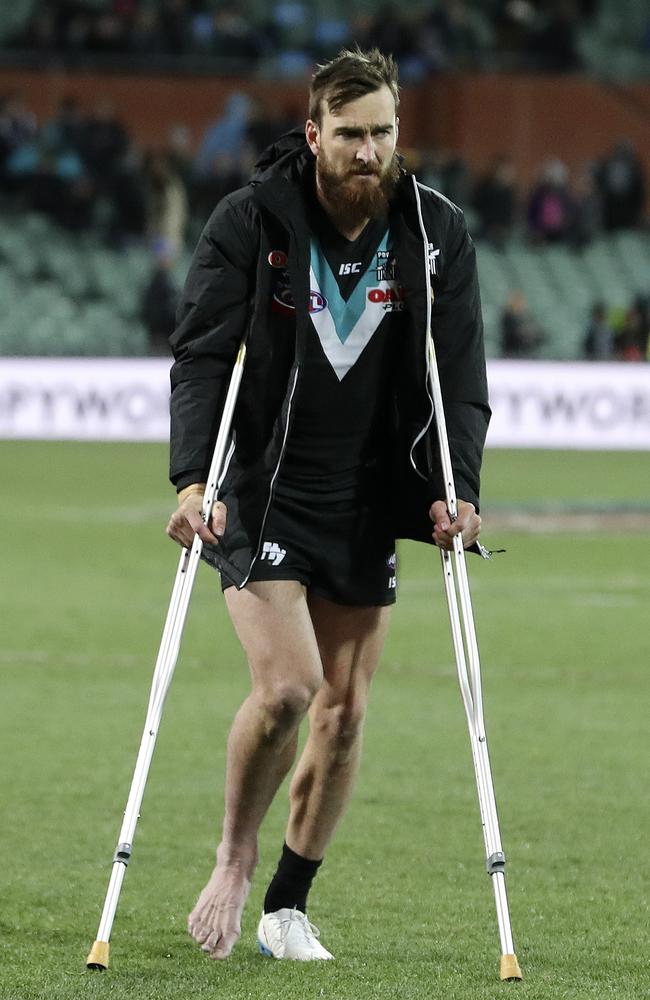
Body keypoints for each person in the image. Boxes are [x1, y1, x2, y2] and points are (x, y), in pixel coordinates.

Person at [166, 48, 490, 963]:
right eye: (349, 134)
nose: (367, 150)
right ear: (314, 135)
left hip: (363, 496)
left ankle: (286, 905)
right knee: (289, 689)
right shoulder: (253, 221)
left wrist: (456, 485)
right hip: (263, 490)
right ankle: (233, 859)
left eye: (383, 132)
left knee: (344, 711)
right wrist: (192, 479)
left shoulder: (432, 231)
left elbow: (458, 372)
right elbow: (200, 357)